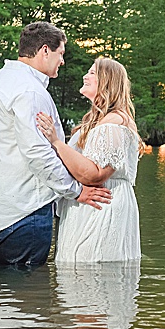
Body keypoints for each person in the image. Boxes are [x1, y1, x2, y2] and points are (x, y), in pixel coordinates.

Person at [0, 21, 112, 267]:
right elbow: (38, 154)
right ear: (45, 51)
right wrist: (76, 191)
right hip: (23, 212)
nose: (62, 62)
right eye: (60, 54)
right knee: (29, 297)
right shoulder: (30, 91)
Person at [35, 56, 143, 263]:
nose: (85, 76)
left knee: (93, 273)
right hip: (92, 204)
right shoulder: (99, 120)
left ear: (107, 81)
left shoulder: (114, 121)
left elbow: (94, 174)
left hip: (101, 205)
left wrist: (56, 142)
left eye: (92, 72)